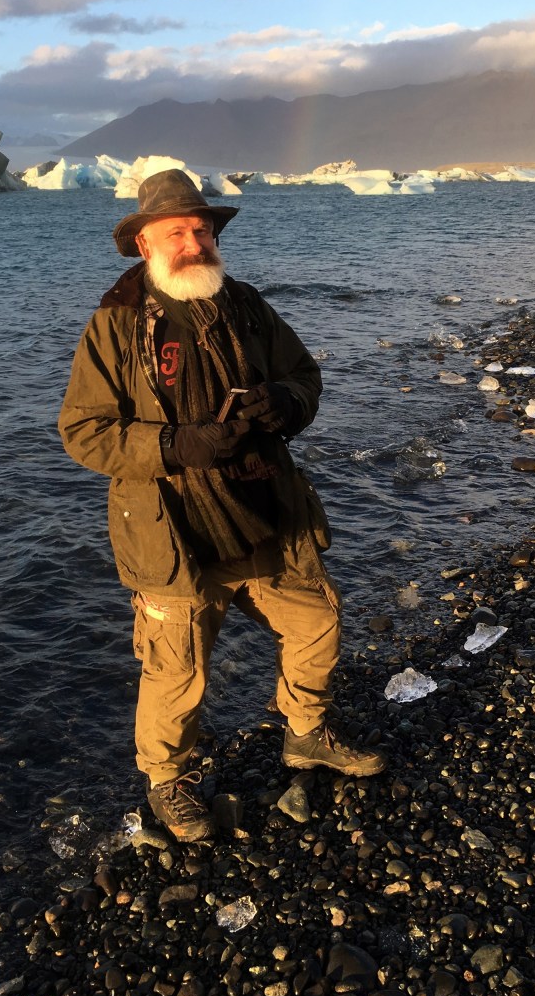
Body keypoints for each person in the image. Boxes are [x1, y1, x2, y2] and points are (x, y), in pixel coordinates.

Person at [58, 168, 386, 842]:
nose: (193, 243)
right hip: (173, 530)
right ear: (145, 244)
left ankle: (305, 733)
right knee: (176, 668)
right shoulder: (115, 324)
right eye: (176, 232)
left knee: (317, 622)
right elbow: (84, 432)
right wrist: (174, 444)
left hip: (264, 510)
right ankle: (168, 782)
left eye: (201, 230)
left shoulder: (245, 305)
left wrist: (283, 403)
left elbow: (304, 376)